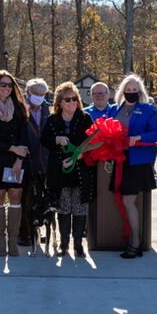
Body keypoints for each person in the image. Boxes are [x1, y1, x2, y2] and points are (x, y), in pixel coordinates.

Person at [41, 82, 95, 257]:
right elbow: (44, 140)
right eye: (67, 99)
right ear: (60, 102)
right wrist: (56, 139)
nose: (72, 102)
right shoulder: (52, 120)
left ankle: (78, 245)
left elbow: (93, 142)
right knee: (63, 208)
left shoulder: (85, 118)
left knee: (79, 208)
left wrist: (81, 154)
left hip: (80, 169)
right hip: (59, 171)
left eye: (74, 98)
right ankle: (64, 244)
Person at [0, 71, 31, 257]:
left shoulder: (20, 108)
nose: (7, 88)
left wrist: (19, 159)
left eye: (10, 85)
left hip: (16, 162)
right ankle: (1, 242)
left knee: (16, 197)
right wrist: (12, 148)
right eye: (3, 84)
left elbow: (24, 137)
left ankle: (12, 241)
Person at [109, 74, 157, 259]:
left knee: (129, 201)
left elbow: (156, 133)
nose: (131, 93)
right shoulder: (114, 109)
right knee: (125, 200)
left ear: (140, 92)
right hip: (119, 160)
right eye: (128, 90)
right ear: (122, 91)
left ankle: (136, 242)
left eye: (134, 90)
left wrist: (139, 138)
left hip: (137, 161)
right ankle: (133, 241)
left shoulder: (148, 109)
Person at [21, 77, 51, 246]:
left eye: (42, 93)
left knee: (42, 199)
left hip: (44, 161)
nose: (39, 97)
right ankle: (25, 233)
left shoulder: (47, 110)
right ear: (28, 93)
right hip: (26, 161)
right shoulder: (21, 110)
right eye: (35, 93)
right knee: (26, 199)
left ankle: (40, 230)